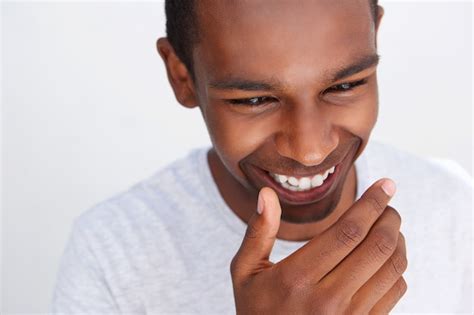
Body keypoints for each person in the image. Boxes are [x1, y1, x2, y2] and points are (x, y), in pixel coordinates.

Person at [51, 0, 472, 313]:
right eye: (254, 98)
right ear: (183, 77)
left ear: (374, 36)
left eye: (344, 86)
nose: (311, 150)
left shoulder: (456, 207)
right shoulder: (112, 251)